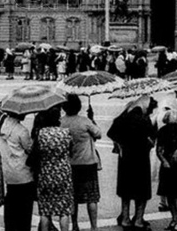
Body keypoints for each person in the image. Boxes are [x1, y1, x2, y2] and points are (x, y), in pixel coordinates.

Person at [107, 96, 157, 229]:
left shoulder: (124, 117)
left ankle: (125, 218)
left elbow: (111, 133)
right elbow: (152, 139)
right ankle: (139, 220)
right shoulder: (144, 119)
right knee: (142, 191)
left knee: (126, 190)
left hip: (126, 158)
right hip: (141, 158)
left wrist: (119, 144)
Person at [60, 94, 102, 231]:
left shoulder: (61, 122)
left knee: (72, 197)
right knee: (92, 197)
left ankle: (75, 224)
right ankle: (93, 226)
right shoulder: (85, 121)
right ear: (78, 106)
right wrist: (92, 119)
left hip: (70, 163)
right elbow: (98, 134)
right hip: (88, 162)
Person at [33, 106, 74, 231]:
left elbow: (36, 153)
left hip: (45, 173)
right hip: (63, 173)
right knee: (64, 210)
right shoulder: (66, 133)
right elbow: (71, 151)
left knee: (45, 211)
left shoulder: (40, 134)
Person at [0, 112, 35, 231]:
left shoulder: (1, 128)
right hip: (23, 173)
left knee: (11, 204)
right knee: (25, 209)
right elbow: (29, 149)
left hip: (9, 172)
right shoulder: (22, 130)